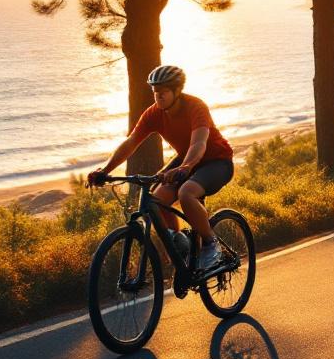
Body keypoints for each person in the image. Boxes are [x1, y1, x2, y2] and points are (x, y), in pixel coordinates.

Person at [87, 65, 234, 272]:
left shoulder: (196, 107)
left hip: (216, 162)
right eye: (155, 92)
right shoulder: (154, 113)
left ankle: (211, 243)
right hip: (186, 162)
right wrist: (105, 169)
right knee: (155, 201)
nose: (158, 97)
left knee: (186, 193)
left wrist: (186, 166)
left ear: (177, 91)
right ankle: (179, 245)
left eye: (163, 92)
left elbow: (198, 144)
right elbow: (131, 142)